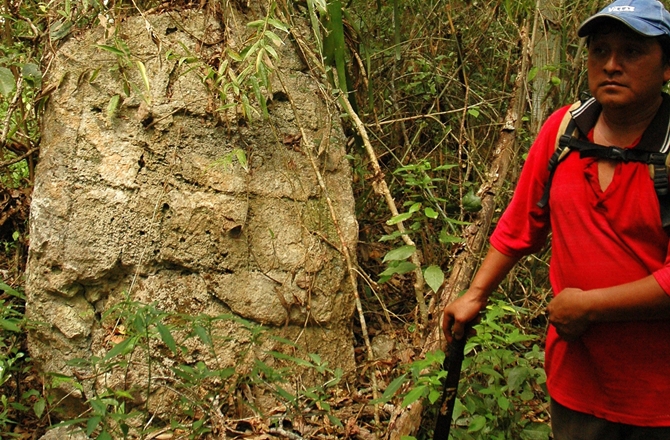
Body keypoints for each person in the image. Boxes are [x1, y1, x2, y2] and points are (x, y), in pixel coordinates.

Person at [441, 0, 670, 438]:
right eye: (599, 51)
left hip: (660, 397)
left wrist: (590, 306)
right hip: (577, 383)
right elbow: (521, 222)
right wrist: (476, 292)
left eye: (633, 52)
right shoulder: (563, 131)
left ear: (666, 66)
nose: (612, 65)